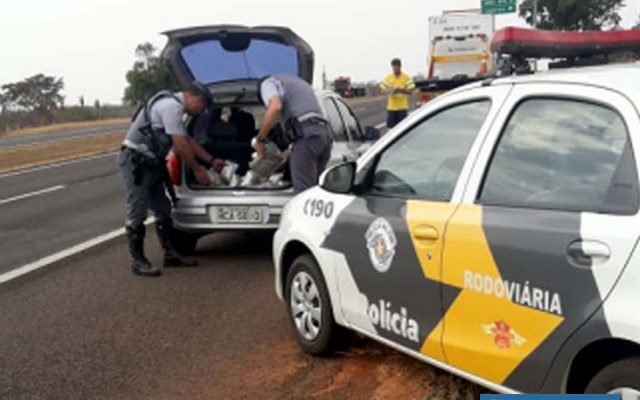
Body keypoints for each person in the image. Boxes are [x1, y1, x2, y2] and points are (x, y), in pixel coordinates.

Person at [118, 82, 224, 277]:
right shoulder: (171, 107)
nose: (201, 111)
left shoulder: (174, 107)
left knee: (163, 209)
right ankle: (138, 262)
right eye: (202, 106)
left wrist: (210, 160)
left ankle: (171, 255)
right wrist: (198, 169)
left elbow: (188, 140)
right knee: (137, 210)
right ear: (195, 98)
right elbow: (181, 145)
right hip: (136, 162)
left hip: (152, 163)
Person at [254, 74, 333, 192]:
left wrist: (260, 140)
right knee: (316, 192)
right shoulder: (297, 83)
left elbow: (275, 107)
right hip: (323, 135)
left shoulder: (267, 83)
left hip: (306, 136)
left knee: (304, 196)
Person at [380, 58, 415, 128]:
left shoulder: (406, 78)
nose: (395, 68)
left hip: (402, 108)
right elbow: (382, 90)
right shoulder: (388, 77)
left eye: (397, 66)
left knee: (402, 128)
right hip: (391, 108)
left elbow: (411, 91)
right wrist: (390, 90)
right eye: (393, 67)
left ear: (400, 66)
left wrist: (400, 90)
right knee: (390, 127)